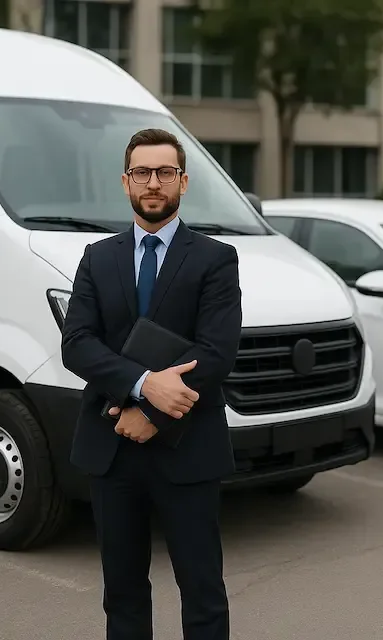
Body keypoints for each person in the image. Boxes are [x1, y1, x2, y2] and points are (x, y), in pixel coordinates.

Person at [60, 127, 242, 640]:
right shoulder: (98, 258)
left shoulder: (215, 259)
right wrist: (141, 385)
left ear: (183, 181)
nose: (153, 182)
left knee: (202, 591)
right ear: (126, 182)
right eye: (143, 172)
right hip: (111, 449)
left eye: (165, 172)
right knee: (122, 594)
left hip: (189, 450)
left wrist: (154, 414)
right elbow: (77, 343)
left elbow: (216, 352)